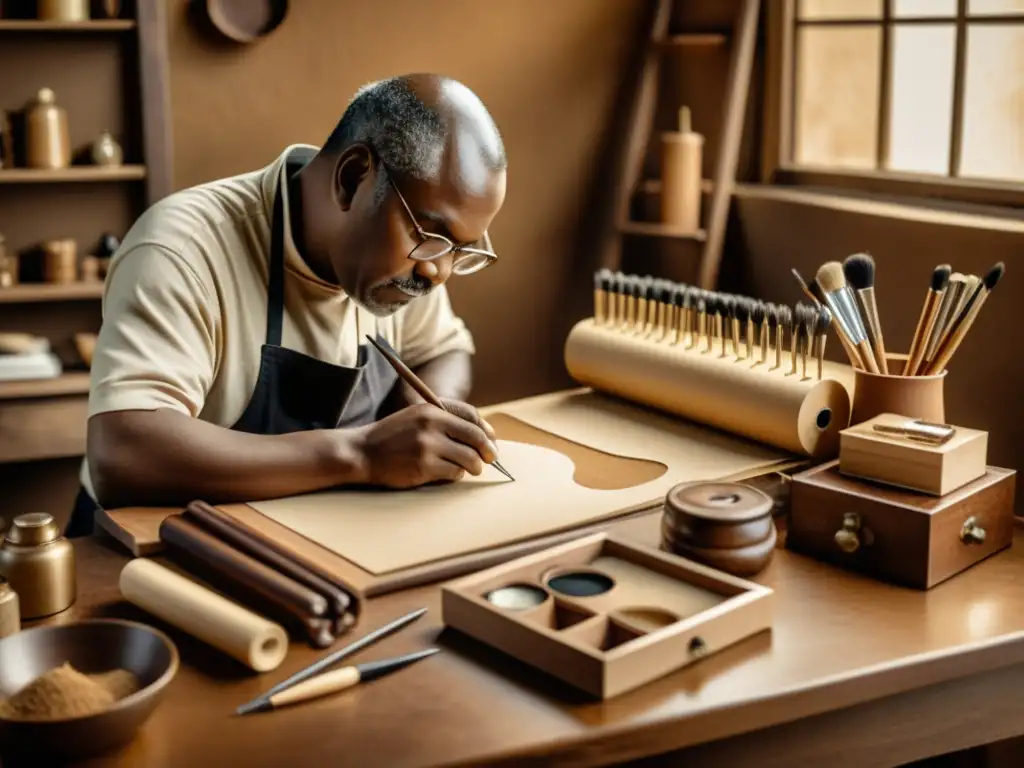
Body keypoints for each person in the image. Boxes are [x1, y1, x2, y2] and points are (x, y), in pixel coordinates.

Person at [68, 74, 507, 536]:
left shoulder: (406, 261)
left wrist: (424, 417)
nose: (438, 273)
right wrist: (362, 455)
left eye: (462, 250)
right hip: (158, 548)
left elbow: (443, 350)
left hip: (312, 538)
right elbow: (124, 452)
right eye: (431, 236)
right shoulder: (182, 247)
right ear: (354, 177)